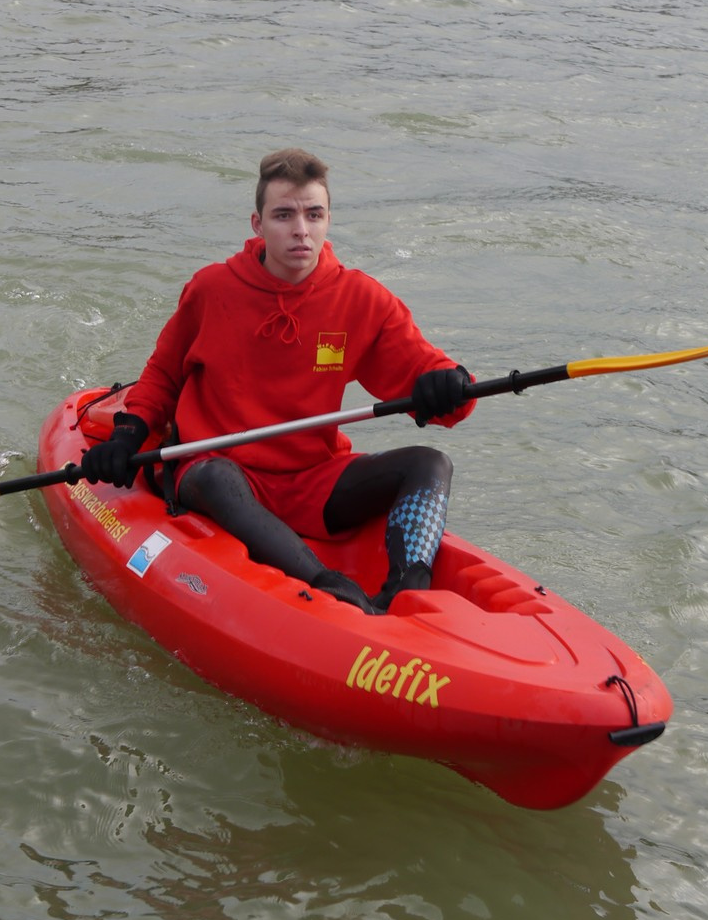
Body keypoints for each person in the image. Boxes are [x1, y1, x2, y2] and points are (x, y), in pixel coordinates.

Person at [81, 149, 474, 614]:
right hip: (218, 469)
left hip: (312, 479)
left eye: (314, 215)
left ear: (328, 221)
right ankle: (326, 586)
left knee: (430, 463)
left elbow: (432, 376)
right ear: (258, 224)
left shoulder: (362, 299)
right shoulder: (212, 289)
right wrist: (127, 435)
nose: (301, 230)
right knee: (216, 477)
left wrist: (450, 385)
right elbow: (163, 375)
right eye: (284, 215)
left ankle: (406, 595)